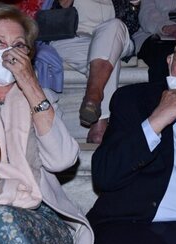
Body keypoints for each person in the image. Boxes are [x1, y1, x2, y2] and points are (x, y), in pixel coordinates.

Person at [87, 25, 176, 244]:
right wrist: (156, 120)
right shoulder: (133, 100)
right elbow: (105, 175)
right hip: (137, 225)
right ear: (170, 61)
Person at [0, 2, 94, 244]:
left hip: (39, 214)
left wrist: (31, 86)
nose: (9, 52)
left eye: (19, 45)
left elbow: (62, 160)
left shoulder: (42, 99)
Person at [46, 0, 136, 144]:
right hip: (73, 40)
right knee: (109, 56)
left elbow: (131, 26)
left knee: (114, 27)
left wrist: (134, 5)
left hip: (114, 37)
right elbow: (46, 15)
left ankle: (93, 95)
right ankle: (100, 123)